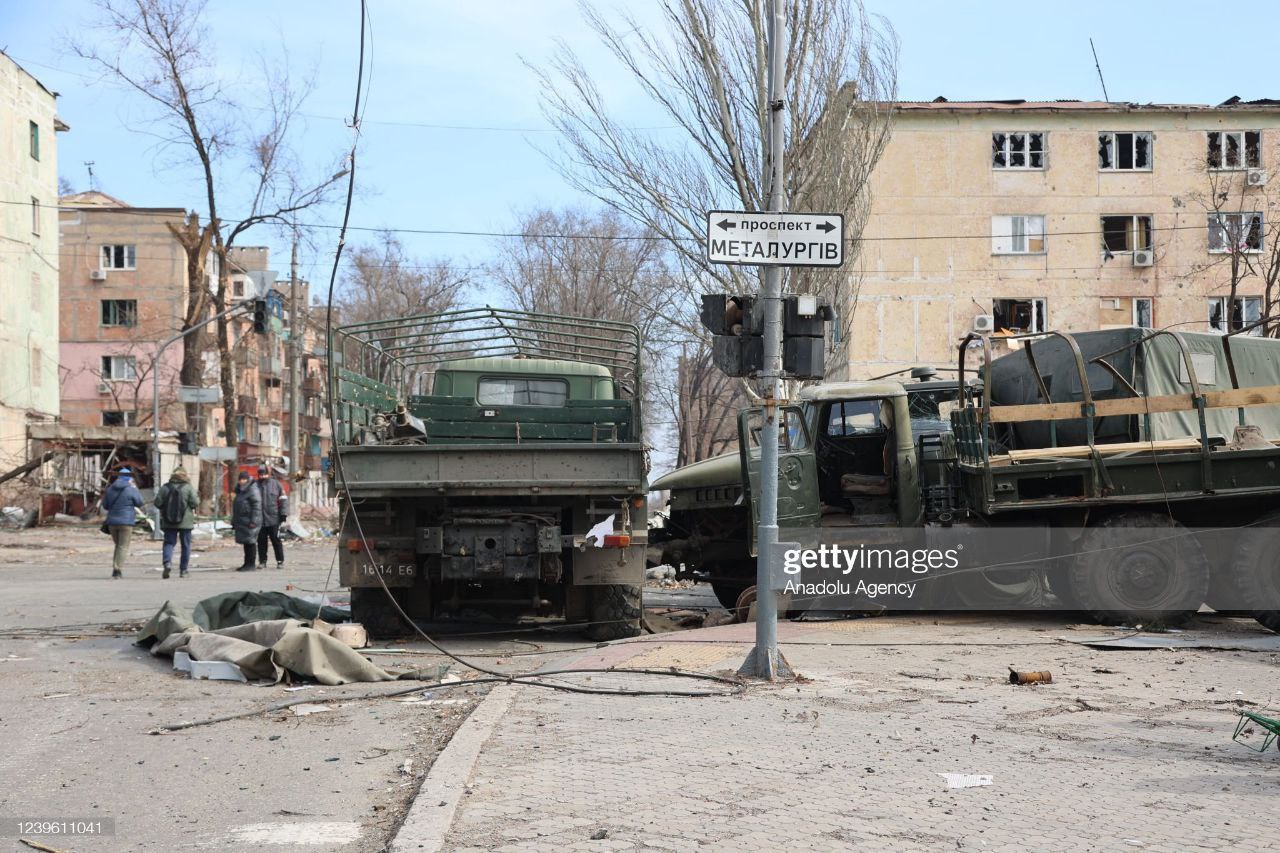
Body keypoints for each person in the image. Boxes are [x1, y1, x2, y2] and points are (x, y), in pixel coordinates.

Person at [154, 466, 198, 579]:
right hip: (186, 522)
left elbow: (157, 503)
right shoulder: (188, 488)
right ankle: (183, 571)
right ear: (185, 475)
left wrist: (166, 509)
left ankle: (167, 563)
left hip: (168, 522)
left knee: (169, 543)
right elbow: (195, 503)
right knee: (186, 546)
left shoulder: (165, 488)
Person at [101, 467, 144, 579]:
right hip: (126, 522)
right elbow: (140, 503)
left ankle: (116, 566)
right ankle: (117, 569)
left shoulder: (110, 489)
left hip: (112, 523)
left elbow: (105, 506)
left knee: (118, 545)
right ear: (129, 478)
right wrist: (135, 488)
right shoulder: (131, 489)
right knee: (123, 546)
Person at [256, 464, 289, 570]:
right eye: (261, 474)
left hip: (274, 519)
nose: (262, 476)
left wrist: (283, 514)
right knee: (261, 541)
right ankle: (262, 561)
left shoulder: (276, 485)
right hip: (259, 520)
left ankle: (280, 561)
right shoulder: (254, 486)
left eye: (264, 474)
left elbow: (283, 500)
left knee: (276, 540)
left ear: (268, 474)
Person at [231, 471, 263, 571]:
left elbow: (257, 506)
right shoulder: (241, 490)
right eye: (240, 479)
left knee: (250, 542)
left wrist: (254, 520)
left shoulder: (252, 489)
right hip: (243, 520)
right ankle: (246, 564)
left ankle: (251, 564)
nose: (241, 481)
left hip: (250, 520)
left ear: (247, 479)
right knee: (247, 542)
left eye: (243, 479)